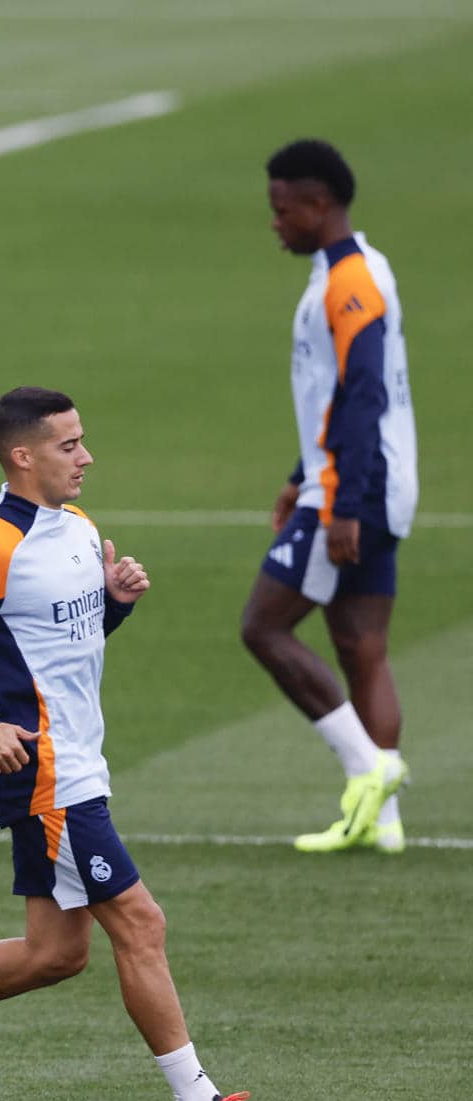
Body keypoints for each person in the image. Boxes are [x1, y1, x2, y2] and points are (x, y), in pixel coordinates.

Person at [0, 386, 295, 1101]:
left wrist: (114, 605)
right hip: (44, 773)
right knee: (142, 923)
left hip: (81, 762)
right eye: (69, 445)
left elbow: (62, 644)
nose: (87, 457)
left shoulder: (75, 528)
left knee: (55, 954)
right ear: (22, 456)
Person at [240, 139, 417, 854]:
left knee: (265, 626)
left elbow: (364, 393)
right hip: (373, 477)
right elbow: (337, 395)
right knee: (360, 645)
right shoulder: (359, 271)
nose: (275, 223)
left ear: (319, 205)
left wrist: (340, 502)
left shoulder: (349, 284)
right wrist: (298, 472)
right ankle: (384, 821)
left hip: (355, 487)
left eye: (283, 210)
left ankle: (370, 768)